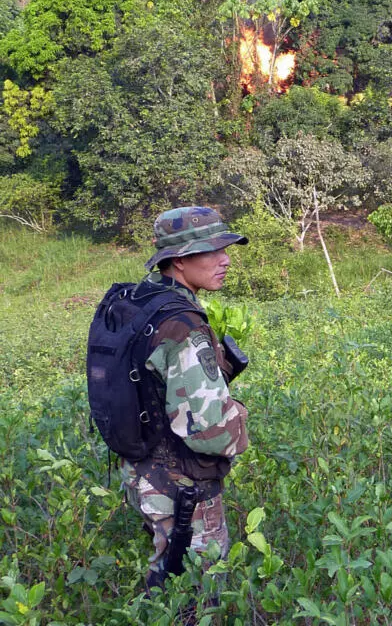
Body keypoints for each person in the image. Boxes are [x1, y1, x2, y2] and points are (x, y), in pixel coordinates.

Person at [121, 206, 250, 593]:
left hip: (141, 472)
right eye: (210, 251)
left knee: (164, 577)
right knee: (197, 593)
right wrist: (239, 416)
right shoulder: (183, 326)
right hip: (181, 486)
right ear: (178, 261)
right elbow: (211, 432)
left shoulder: (142, 302)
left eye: (225, 249)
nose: (225, 259)